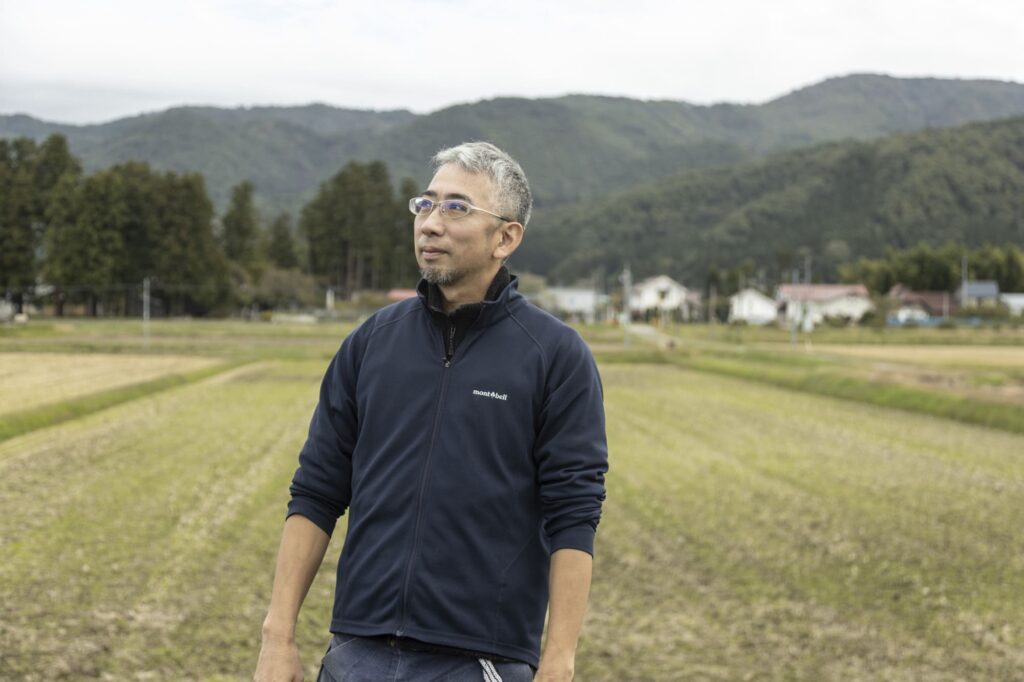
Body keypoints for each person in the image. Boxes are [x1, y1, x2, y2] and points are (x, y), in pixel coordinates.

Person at [254, 142, 608, 682]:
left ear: (506, 238)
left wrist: (558, 662)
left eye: (457, 207)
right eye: (426, 204)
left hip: (480, 660)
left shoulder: (554, 356)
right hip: (357, 652)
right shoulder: (372, 341)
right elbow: (317, 490)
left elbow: (574, 516)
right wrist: (277, 637)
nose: (431, 223)